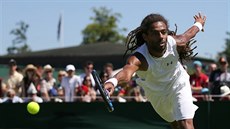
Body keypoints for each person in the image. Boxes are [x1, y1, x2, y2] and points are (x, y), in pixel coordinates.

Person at [104, 13, 206, 129]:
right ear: (145, 36)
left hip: (178, 83)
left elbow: (190, 33)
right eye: (155, 33)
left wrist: (199, 23)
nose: (161, 36)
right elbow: (126, 73)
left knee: (185, 124)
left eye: (163, 32)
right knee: (176, 125)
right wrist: (113, 82)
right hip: (157, 94)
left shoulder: (176, 42)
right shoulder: (139, 58)